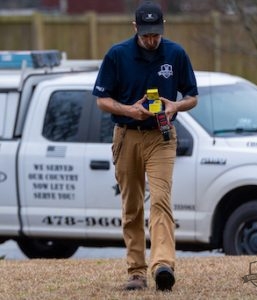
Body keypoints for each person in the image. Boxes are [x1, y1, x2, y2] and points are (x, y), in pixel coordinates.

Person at [92, 0, 198, 292]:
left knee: (161, 198)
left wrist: (175, 105)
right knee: (132, 206)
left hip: (161, 136)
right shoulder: (117, 55)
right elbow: (102, 99)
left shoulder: (175, 54)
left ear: (162, 28)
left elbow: (193, 96)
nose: (152, 39)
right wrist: (129, 110)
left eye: (156, 33)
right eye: (146, 34)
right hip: (127, 135)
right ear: (135, 27)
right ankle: (136, 272)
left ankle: (163, 265)